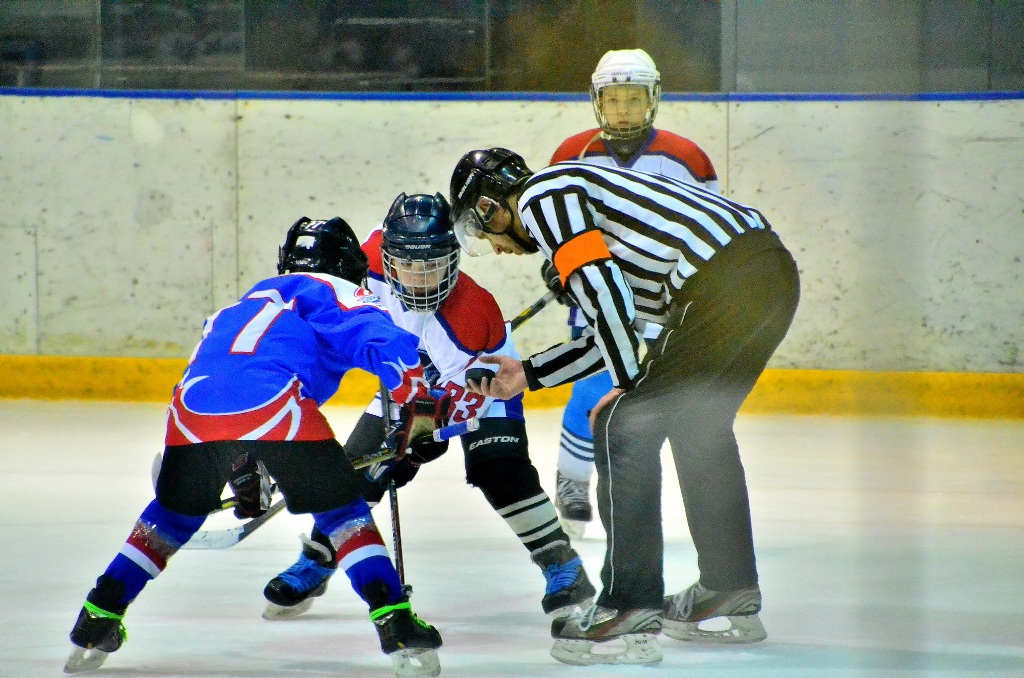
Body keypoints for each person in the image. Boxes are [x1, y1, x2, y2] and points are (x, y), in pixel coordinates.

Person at [448, 148, 800, 665]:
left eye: (483, 235)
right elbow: (612, 327)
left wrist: (626, 385)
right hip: (768, 276)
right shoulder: (607, 224)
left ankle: (628, 603)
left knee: (622, 423)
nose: (496, 250)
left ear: (489, 207)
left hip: (722, 281)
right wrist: (528, 374)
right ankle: (729, 585)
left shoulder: (544, 196)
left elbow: (606, 298)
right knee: (700, 427)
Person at [65, 216, 444, 678]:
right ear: (349, 265)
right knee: (342, 514)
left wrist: (242, 463)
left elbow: (227, 382)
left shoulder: (241, 305)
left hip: (191, 409)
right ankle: (396, 623)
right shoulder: (334, 290)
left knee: (171, 517)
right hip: (275, 403)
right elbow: (383, 341)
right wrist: (420, 406)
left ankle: (98, 615)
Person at [259, 193, 595, 625]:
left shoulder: (473, 313)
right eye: (409, 266)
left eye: (433, 266)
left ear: (453, 259)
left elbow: (469, 401)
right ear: (387, 259)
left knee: (499, 469)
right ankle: (319, 559)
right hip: (407, 378)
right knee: (355, 472)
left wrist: (420, 441)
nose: (421, 279)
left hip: (485, 384)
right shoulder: (363, 265)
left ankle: (562, 565)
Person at [544, 48, 720, 540]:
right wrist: (558, 266)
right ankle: (572, 482)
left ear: (653, 99)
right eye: (613, 99)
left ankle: (646, 494)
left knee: (660, 393)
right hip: (598, 289)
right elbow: (555, 224)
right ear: (598, 101)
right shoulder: (572, 154)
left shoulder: (687, 159)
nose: (623, 109)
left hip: (665, 295)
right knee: (592, 383)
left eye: (634, 98)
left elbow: (708, 232)